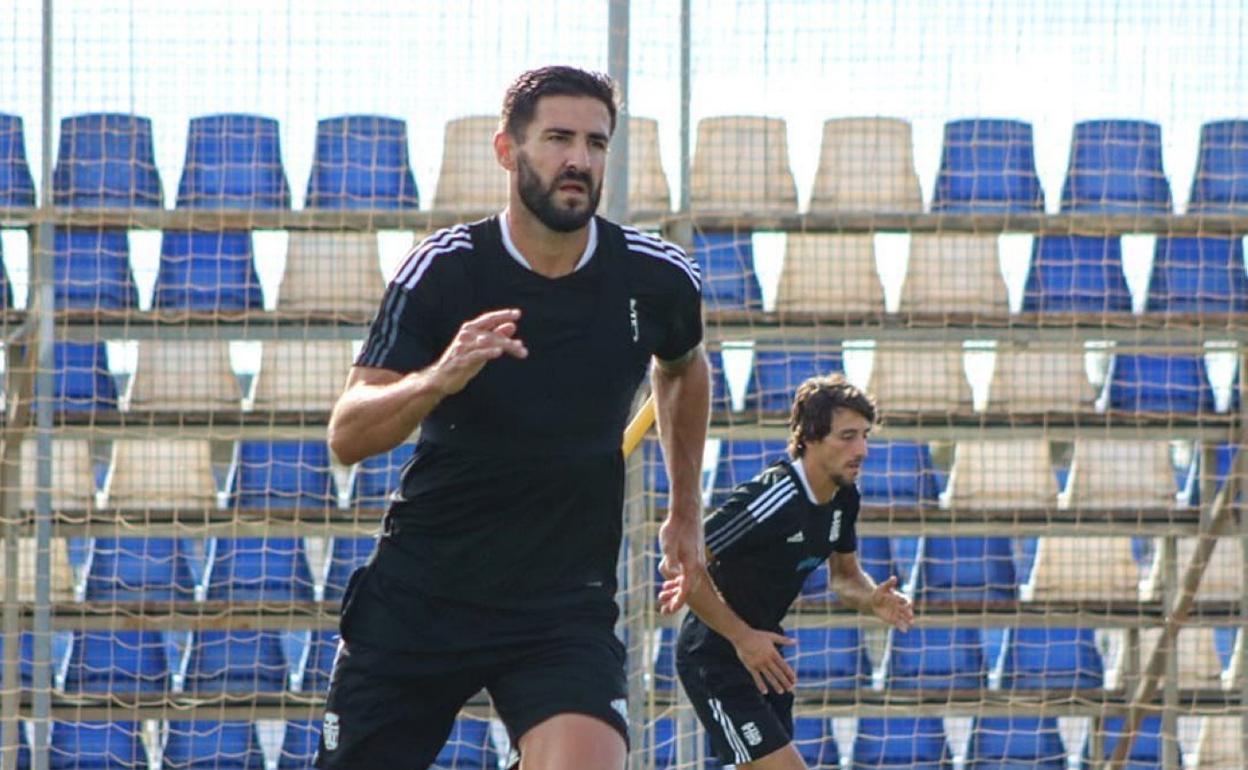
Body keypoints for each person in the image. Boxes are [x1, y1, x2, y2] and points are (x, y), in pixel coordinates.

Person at [316, 65, 710, 770]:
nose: (578, 160)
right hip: (421, 596)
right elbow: (349, 434)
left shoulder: (656, 277)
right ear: (507, 150)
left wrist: (686, 512)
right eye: (558, 139)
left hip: (562, 607)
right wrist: (438, 377)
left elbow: (682, 367)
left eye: (595, 143)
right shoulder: (445, 269)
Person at [659, 374, 914, 770]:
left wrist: (870, 598)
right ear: (810, 437)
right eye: (847, 437)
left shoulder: (845, 496)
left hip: (764, 657)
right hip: (715, 655)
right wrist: (742, 637)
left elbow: (845, 576)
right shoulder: (772, 497)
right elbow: (683, 565)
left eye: (865, 436)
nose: (862, 449)